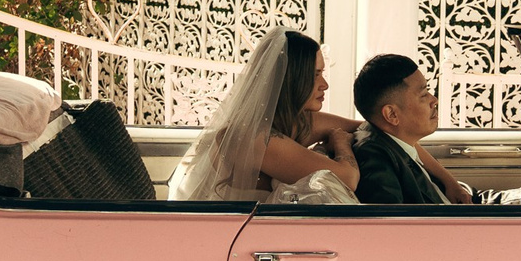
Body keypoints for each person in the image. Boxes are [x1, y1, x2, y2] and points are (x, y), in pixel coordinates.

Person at [168, 29, 360, 202]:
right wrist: (342, 144)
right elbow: (347, 179)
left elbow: (360, 126)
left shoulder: (292, 121)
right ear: (292, 78)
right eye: (315, 74)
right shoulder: (254, 139)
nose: (324, 84)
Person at [349, 55, 475, 207]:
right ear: (392, 114)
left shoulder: (397, 142)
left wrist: (452, 184)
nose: (433, 100)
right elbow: (392, 226)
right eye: (423, 95)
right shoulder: (376, 160)